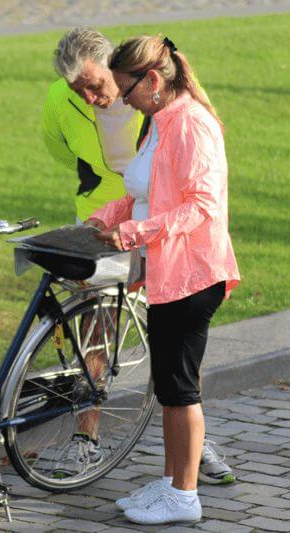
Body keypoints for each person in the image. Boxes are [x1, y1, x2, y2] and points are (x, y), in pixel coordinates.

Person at [42, 27, 236, 488]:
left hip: (165, 238)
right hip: (112, 222)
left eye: (96, 86)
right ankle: (87, 437)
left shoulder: (162, 107)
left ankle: (190, 450)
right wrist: (106, 210)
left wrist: (137, 225)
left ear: (122, 72)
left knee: (177, 349)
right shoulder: (62, 102)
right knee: (97, 330)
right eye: (78, 91)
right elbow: (62, 150)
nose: (90, 98)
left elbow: (196, 192)